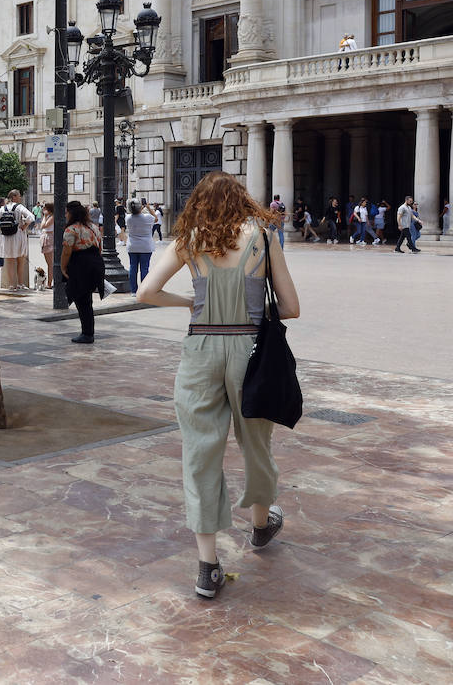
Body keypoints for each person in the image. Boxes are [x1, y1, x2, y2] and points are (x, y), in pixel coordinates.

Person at [136, 171, 300, 599]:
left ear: (199, 203)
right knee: (256, 442)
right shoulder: (264, 238)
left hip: (201, 351)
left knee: (200, 452)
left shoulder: (191, 238)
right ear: (243, 199)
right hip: (250, 352)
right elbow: (291, 307)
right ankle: (261, 527)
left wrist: (190, 301)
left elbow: (146, 292)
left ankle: (207, 566)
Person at [59, 200, 105, 344]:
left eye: (66, 212)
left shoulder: (71, 229)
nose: (65, 215)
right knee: (87, 300)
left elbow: (66, 252)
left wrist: (62, 267)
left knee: (81, 300)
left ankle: (87, 333)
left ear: (71, 213)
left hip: (80, 265)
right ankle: (88, 331)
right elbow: (100, 247)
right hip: (95, 263)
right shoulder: (93, 227)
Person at [0, 190, 35, 290]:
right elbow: (31, 217)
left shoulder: (3, 208)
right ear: (14, 197)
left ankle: (11, 285)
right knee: (20, 260)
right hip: (17, 234)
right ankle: (20, 284)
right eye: (19, 195)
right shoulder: (19, 207)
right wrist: (25, 226)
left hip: (5, 236)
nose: (20, 197)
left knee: (9, 261)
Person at [125, 200, 157, 295]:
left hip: (132, 246)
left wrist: (139, 208)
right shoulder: (147, 217)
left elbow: (135, 212)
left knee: (133, 267)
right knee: (144, 268)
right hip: (145, 246)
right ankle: (143, 290)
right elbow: (156, 218)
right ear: (140, 207)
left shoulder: (128, 218)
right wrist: (147, 207)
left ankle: (134, 290)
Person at [39, 204, 56, 290]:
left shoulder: (52, 217)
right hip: (45, 237)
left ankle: (49, 283)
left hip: (49, 238)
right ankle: (49, 282)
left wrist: (45, 216)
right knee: (49, 262)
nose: (42, 209)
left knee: (50, 263)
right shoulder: (48, 216)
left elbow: (43, 226)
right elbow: (41, 225)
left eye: (44, 208)